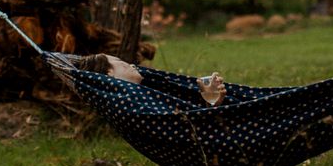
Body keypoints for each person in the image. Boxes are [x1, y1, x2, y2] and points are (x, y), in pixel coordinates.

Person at [81, 53, 226, 105]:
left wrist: (210, 102)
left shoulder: (151, 90)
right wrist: (212, 105)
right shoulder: (143, 106)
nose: (131, 65)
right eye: (124, 64)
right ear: (110, 75)